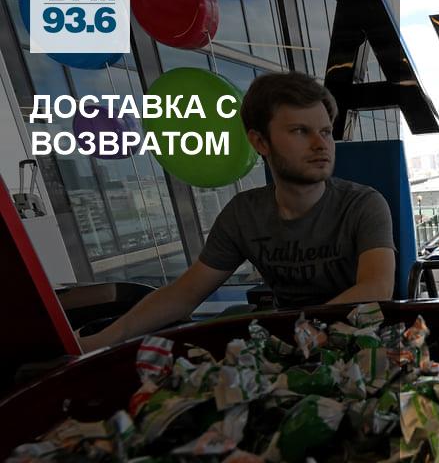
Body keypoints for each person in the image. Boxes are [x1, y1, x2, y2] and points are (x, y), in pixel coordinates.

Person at [79, 72, 396, 352]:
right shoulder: (243, 215)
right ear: (260, 142)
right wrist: (97, 342)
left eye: (325, 132)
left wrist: (297, 336)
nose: (321, 144)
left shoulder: (364, 204)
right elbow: (184, 294)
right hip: (288, 348)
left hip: (362, 343)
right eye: (301, 131)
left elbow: (376, 289)